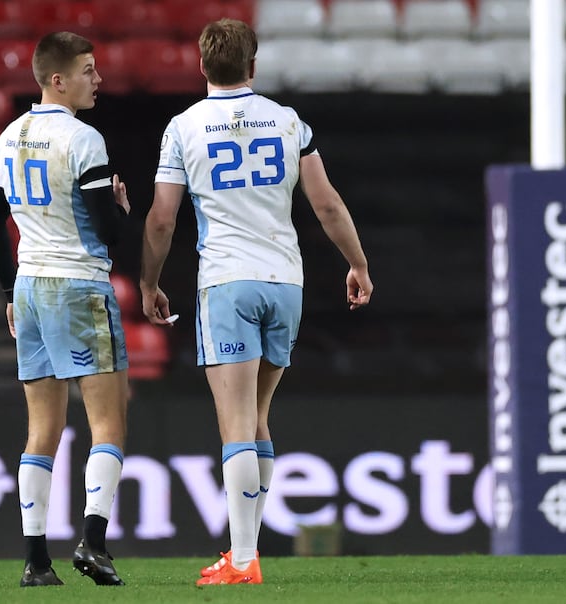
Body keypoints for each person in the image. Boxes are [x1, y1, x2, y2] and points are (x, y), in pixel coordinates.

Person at [139, 18, 374, 585]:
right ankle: (243, 550)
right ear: (253, 65)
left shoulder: (183, 127)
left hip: (228, 282)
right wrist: (358, 263)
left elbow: (164, 217)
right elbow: (327, 205)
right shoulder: (290, 122)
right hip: (284, 281)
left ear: (201, 66)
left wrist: (149, 283)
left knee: (236, 422)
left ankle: (243, 559)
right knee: (259, 418)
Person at [0, 31, 130, 588]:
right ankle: (93, 541)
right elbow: (106, 230)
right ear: (57, 79)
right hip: (78, 284)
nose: (99, 80)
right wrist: (120, 206)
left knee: (41, 429)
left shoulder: (10, 135)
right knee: (108, 423)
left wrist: (6, 292)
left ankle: (35, 561)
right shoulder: (83, 140)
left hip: (29, 287)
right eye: (88, 70)